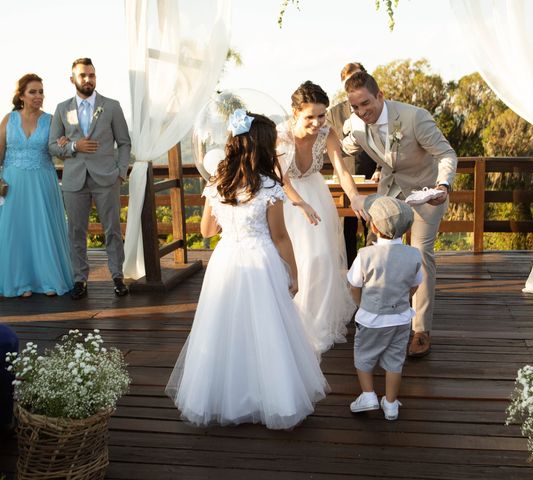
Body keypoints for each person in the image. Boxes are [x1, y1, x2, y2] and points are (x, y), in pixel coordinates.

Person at [166, 110, 328, 430]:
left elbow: (208, 231)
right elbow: (280, 237)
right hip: (261, 260)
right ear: (262, 147)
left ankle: (226, 394)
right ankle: (269, 396)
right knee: (267, 329)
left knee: (224, 327)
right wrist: (294, 274)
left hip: (227, 259)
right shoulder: (268, 186)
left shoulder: (217, 184)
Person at [342, 71, 458, 358]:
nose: (361, 112)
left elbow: (446, 154)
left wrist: (443, 185)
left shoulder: (415, 117)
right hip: (390, 191)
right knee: (372, 250)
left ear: (380, 96)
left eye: (366, 104)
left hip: (427, 191)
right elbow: (344, 146)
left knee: (420, 253)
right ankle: (374, 317)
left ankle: (421, 329)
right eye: (355, 107)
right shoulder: (358, 125)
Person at [279, 81, 367, 355]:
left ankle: (315, 322)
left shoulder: (327, 134)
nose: (317, 122)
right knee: (296, 261)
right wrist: (300, 203)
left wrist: (353, 196)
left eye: (321, 115)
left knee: (322, 258)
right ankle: (290, 322)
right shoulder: (279, 136)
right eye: (310, 116)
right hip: (287, 200)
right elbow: (279, 177)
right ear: (295, 113)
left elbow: (341, 169)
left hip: (316, 195)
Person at [49, 58, 131, 299]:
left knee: (113, 230)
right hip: (74, 180)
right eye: (83, 75)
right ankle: (79, 280)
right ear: (72, 78)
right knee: (75, 231)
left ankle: (117, 276)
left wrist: (121, 172)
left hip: (107, 178)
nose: (88, 79)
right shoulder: (62, 109)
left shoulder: (112, 106)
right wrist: (74, 146)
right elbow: (53, 146)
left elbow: (124, 142)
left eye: (92, 75)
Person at [0, 73, 74, 297]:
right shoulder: (9, 119)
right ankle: (20, 283)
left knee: (42, 227)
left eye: (41, 91)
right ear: (22, 96)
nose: (39, 96)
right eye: (33, 92)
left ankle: (48, 281)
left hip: (42, 181)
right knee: (17, 230)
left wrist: (64, 145)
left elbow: (60, 154)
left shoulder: (51, 119)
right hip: (13, 182)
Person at [347, 195, 422, 421]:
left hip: (371, 319)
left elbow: (354, 284)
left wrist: (362, 305)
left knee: (364, 355)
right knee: (395, 361)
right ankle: (390, 404)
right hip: (400, 318)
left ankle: (368, 395)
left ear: (374, 226)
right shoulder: (413, 254)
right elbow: (415, 284)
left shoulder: (365, 255)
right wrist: (401, 299)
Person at [326, 62, 378, 264]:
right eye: (349, 81)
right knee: (345, 225)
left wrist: (381, 168)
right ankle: (350, 270)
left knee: (373, 222)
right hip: (344, 174)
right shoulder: (334, 113)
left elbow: (388, 141)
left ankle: (372, 266)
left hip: (372, 172)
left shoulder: (375, 105)